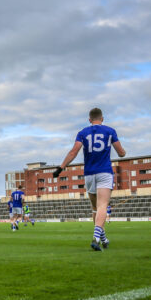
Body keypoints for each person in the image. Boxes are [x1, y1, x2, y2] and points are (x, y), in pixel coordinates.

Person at [53, 107, 126, 251]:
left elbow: (73, 152)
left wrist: (60, 168)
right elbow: (121, 153)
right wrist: (122, 151)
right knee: (102, 206)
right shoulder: (110, 131)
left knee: (95, 208)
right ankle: (96, 238)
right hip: (104, 172)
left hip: (89, 174)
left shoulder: (82, 133)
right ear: (102, 119)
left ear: (89, 120)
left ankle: (103, 238)